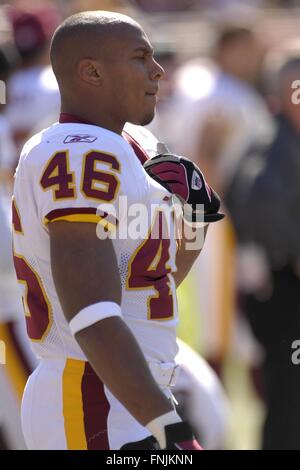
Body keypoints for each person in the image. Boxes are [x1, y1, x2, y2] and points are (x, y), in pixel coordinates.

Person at [12, 11, 223, 450]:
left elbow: (149, 283)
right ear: (91, 72)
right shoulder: (79, 152)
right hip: (91, 395)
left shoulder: (137, 146)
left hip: (128, 392)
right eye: (139, 56)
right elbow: (92, 315)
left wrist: (197, 219)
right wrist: (173, 430)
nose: (158, 69)